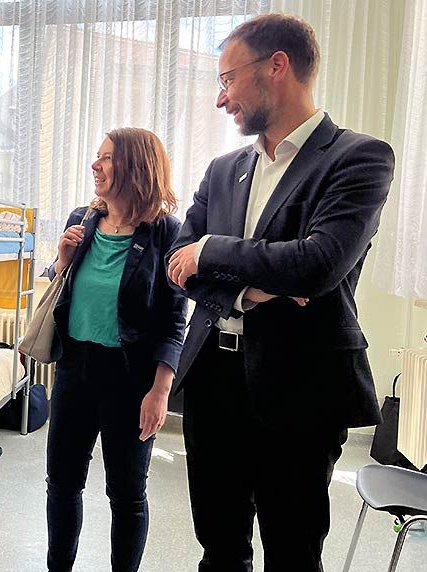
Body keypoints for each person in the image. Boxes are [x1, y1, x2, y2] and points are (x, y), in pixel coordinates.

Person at [165, 14, 395, 572]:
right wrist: (255, 286)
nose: (221, 100)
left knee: (292, 551)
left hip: (301, 389)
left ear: (276, 66)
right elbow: (179, 263)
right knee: (219, 547)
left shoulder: (358, 158)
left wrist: (215, 252)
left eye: (226, 79)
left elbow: (317, 266)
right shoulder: (223, 170)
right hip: (212, 384)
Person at [45, 127, 187, 571]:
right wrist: (61, 262)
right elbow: (59, 287)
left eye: (106, 157)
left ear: (135, 166)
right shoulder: (81, 219)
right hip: (74, 369)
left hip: (131, 378)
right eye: (97, 156)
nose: (95, 165)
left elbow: (174, 319)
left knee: (126, 494)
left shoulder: (166, 233)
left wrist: (160, 392)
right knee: (63, 485)